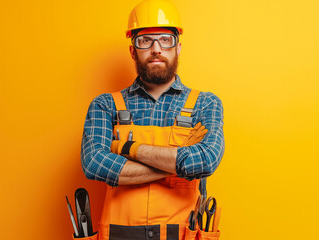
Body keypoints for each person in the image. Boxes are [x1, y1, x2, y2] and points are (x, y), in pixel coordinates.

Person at [80, 0, 224, 239]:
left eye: (165, 39)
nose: (156, 48)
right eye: (145, 40)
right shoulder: (105, 105)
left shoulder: (205, 103)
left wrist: (126, 148)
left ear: (177, 47)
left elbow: (207, 160)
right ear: (133, 50)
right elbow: (94, 163)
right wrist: (179, 163)